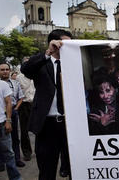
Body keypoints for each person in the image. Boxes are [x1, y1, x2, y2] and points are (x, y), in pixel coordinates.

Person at [21, 29, 72, 180]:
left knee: (74, 167)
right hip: (47, 125)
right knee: (47, 169)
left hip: (70, 125)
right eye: (64, 44)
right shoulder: (41, 63)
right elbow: (26, 69)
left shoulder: (75, 64)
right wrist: (48, 52)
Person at [0, 65, 22, 180]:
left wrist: (8, 120)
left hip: (2, 124)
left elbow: (9, 103)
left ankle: (15, 178)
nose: (5, 71)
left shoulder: (2, 85)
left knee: (9, 154)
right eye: (2, 69)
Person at [0, 63, 25, 170]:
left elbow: (21, 97)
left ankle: (17, 159)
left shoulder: (15, 83)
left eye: (7, 69)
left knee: (14, 138)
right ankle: (0, 162)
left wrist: (16, 108)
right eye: (2, 69)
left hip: (12, 111)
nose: (5, 71)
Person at [16, 57, 35, 161]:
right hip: (24, 105)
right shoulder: (19, 77)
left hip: (36, 104)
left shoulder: (37, 74)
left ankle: (42, 150)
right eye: (26, 63)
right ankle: (27, 152)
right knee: (24, 130)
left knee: (41, 128)